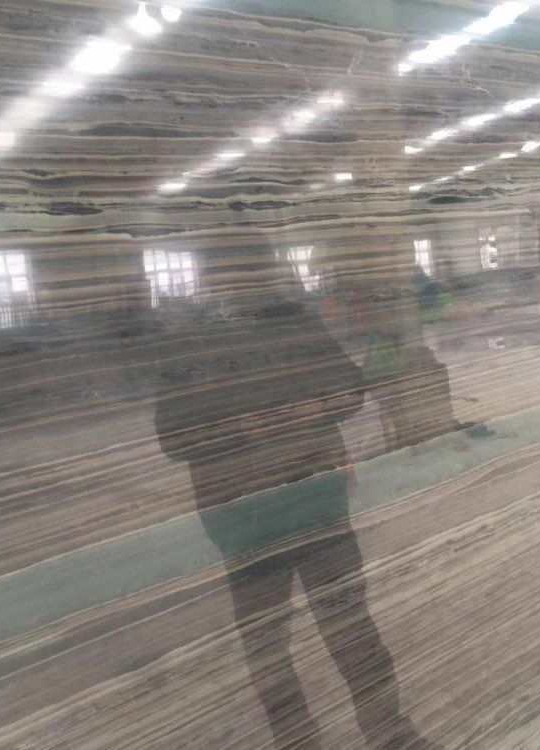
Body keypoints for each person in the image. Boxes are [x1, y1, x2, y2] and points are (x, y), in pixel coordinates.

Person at [154, 242, 435, 749]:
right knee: (269, 643)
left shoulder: (294, 324)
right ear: (212, 276)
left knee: (349, 625)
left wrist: (313, 408)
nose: (249, 280)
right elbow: (173, 436)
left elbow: (350, 389)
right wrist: (239, 426)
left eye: (256, 268)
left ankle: (389, 733)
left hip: (315, 503)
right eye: (236, 269)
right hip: (244, 519)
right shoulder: (190, 342)